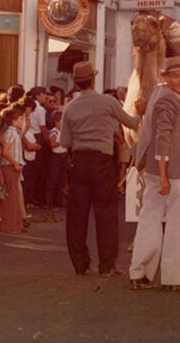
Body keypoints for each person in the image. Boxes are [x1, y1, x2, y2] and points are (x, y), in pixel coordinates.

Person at [60, 61, 144, 276]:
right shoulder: (108, 101)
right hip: (102, 161)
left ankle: (80, 264)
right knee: (106, 213)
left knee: (77, 215)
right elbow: (132, 123)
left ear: (77, 84)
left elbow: (64, 141)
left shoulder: (69, 108)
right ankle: (107, 266)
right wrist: (141, 112)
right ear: (94, 79)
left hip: (78, 161)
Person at [129, 57, 180, 291]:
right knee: (176, 223)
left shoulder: (159, 92)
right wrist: (165, 175)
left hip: (153, 169)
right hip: (170, 171)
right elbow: (163, 137)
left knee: (149, 219)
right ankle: (173, 278)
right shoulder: (169, 100)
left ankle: (140, 273)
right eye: (175, 76)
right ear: (166, 77)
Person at [46, 110, 68, 208]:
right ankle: (49, 201)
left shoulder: (63, 131)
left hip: (64, 155)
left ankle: (59, 200)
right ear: (57, 121)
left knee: (61, 179)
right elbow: (52, 144)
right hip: (56, 157)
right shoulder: (54, 132)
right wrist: (62, 142)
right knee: (53, 178)